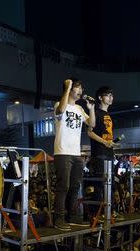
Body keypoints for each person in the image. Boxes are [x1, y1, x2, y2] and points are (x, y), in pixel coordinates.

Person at [53, 78, 95, 230]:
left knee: (75, 187)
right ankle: (58, 219)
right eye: (77, 87)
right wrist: (67, 87)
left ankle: (74, 217)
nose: (81, 90)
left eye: (81, 88)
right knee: (63, 186)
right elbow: (61, 110)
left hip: (76, 153)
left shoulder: (79, 109)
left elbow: (92, 124)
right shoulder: (59, 104)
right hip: (62, 152)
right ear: (69, 90)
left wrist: (91, 108)